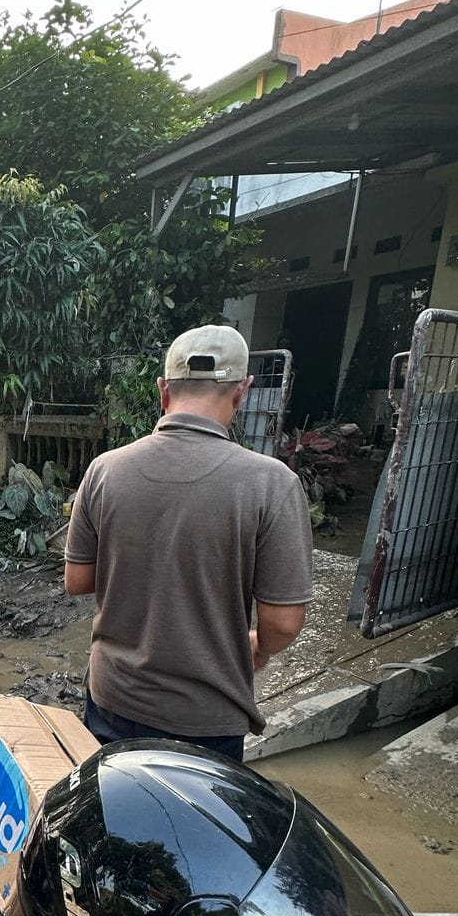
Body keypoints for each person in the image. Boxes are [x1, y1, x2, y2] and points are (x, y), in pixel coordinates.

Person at [63, 324, 313, 762]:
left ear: (163, 390)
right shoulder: (272, 484)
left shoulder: (104, 470)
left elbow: (78, 580)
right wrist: (257, 648)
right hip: (206, 721)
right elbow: (284, 624)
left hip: (112, 701)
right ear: (242, 392)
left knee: (109, 820)